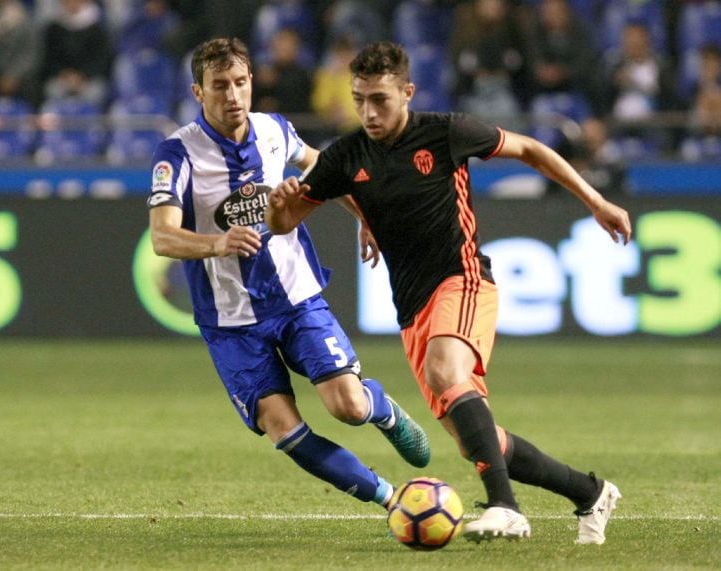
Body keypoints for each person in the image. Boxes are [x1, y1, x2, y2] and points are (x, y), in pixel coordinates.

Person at [265, 41, 631, 545]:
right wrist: (279, 203)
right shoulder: (345, 155)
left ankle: (505, 507)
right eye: (360, 100)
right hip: (412, 306)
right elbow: (284, 221)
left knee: (447, 373)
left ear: (407, 92)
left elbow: (530, 149)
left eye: (380, 100)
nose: (369, 112)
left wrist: (596, 201)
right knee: (476, 440)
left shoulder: (446, 132)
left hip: (463, 279)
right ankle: (590, 493)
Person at [146, 37, 430, 513]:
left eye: (240, 83)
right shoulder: (177, 154)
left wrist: (364, 215)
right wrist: (219, 242)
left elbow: (322, 164)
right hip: (230, 319)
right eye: (219, 86)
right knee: (285, 429)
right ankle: (393, 501)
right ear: (198, 92)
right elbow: (162, 237)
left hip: (296, 298)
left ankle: (382, 410)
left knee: (347, 406)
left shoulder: (274, 130)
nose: (232, 96)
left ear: (252, 82)